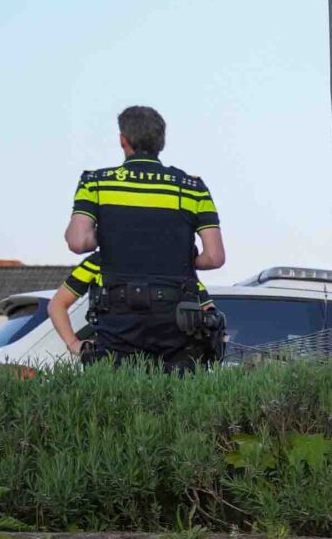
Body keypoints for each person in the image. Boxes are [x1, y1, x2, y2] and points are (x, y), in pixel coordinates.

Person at [50, 105, 226, 370]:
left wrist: (112, 235)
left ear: (123, 139)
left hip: (117, 325)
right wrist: (179, 255)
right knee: (176, 402)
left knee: (116, 405)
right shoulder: (192, 188)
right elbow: (214, 257)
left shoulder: (96, 183)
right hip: (176, 325)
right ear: (161, 142)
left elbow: (77, 242)